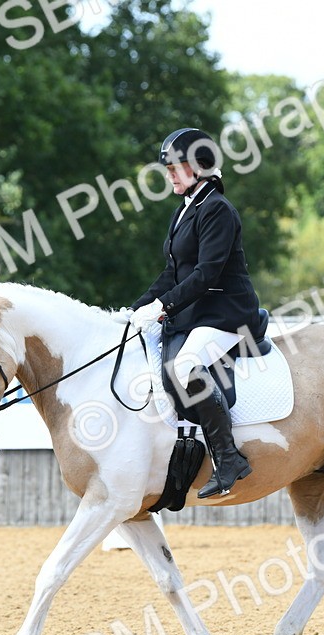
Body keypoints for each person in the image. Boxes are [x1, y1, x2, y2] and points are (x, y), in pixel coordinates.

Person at [120, 128, 261, 498]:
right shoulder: (185, 209)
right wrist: (135, 309)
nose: (169, 176)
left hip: (226, 312)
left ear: (199, 168)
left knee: (185, 368)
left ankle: (228, 458)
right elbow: (172, 273)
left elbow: (206, 273)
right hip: (199, 312)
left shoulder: (217, 209)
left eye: (175, 168)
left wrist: (164, 306)